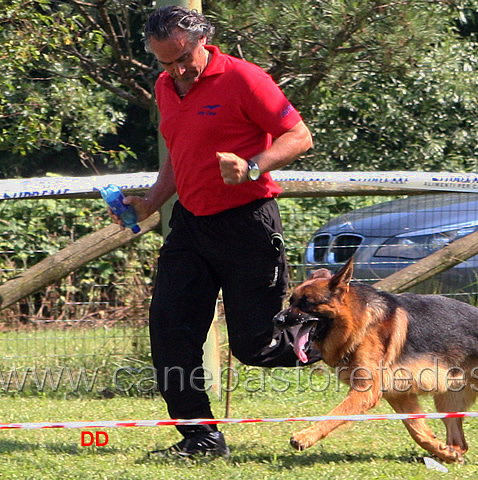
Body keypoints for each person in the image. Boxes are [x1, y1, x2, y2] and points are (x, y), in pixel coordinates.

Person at [110, 6, 320, 459]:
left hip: (248, 223)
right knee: (170, 331)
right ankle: (201, 438)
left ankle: (349, 337)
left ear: (203, 39)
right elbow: (178, 154)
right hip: (189, 224)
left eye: (183, 57)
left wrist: (252, 167)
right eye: (165, 62)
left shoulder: (244, 78)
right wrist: (150, 202)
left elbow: (300, 136)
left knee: (257, 345)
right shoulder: (166, 87)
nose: (177, 70)